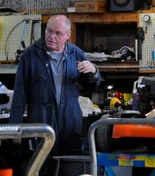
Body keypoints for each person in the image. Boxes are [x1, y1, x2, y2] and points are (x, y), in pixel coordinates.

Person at [9, 15, 100, 153]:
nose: (52, 36)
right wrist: (15, 125)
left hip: (70, 124)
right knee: (40, 164)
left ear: (67, 35)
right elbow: (19, 93)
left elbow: (91, 87)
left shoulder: (76, 54)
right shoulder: (30, 55)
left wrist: (94, 71)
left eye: (58, 33)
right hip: (41, 123)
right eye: (49, 31)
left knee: (68, 164)